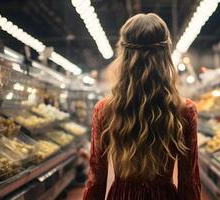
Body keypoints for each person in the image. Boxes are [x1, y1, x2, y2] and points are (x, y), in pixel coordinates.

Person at [83, 13, 201, 200]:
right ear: (166, 55)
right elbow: (189, 181)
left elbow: (96, 178)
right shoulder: (184, 110)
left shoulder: (104, 110)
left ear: (123, 54)